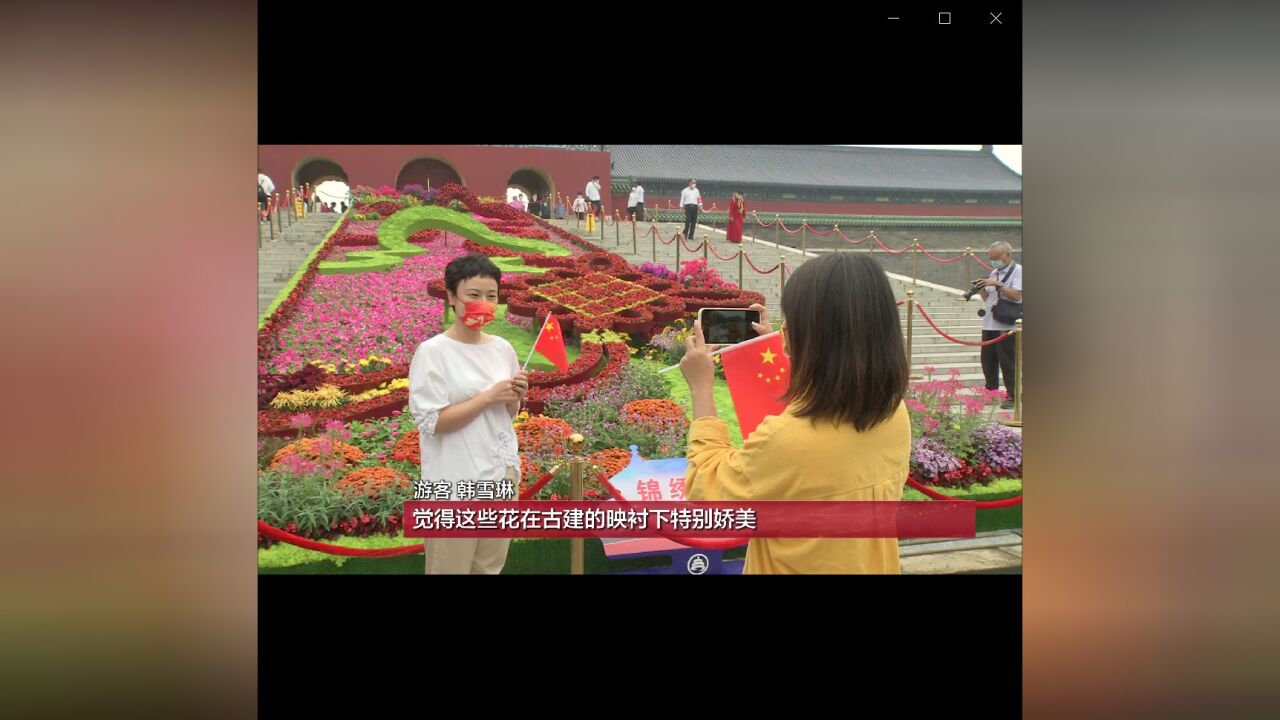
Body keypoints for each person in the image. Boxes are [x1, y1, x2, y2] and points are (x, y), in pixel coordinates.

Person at [678, 252, 911, 574]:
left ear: (812, 335)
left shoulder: (788, 441)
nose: (787, 328)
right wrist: (786, 353)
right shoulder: (893, 413)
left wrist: (701, 389)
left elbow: (707, 491)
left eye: (795, 322)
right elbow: (824, 401)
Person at [408, 253, 529, 574]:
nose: (483, 303)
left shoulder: (502, 348)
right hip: (454, 484)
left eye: (492, 296)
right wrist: (488, 397)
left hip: (501, 477)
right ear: (451, 296)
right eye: (473, 295)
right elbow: (432, 422)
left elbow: (509, 414)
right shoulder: (433, 352)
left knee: (489, 569)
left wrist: (513, 396)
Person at [975, 240, 1023, 409]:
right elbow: (988, 298)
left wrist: (999, 284)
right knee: (987, 361)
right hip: (989, 323)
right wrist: (981, 288)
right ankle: (991, 392)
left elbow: (1017, 295)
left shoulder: (1018, 271)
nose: (993, 261)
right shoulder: (994, 272)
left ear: (1007, 255)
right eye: (991, 258)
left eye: (996, 257)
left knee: (1008, 362)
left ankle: (1013, 395)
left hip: (1006, 326)